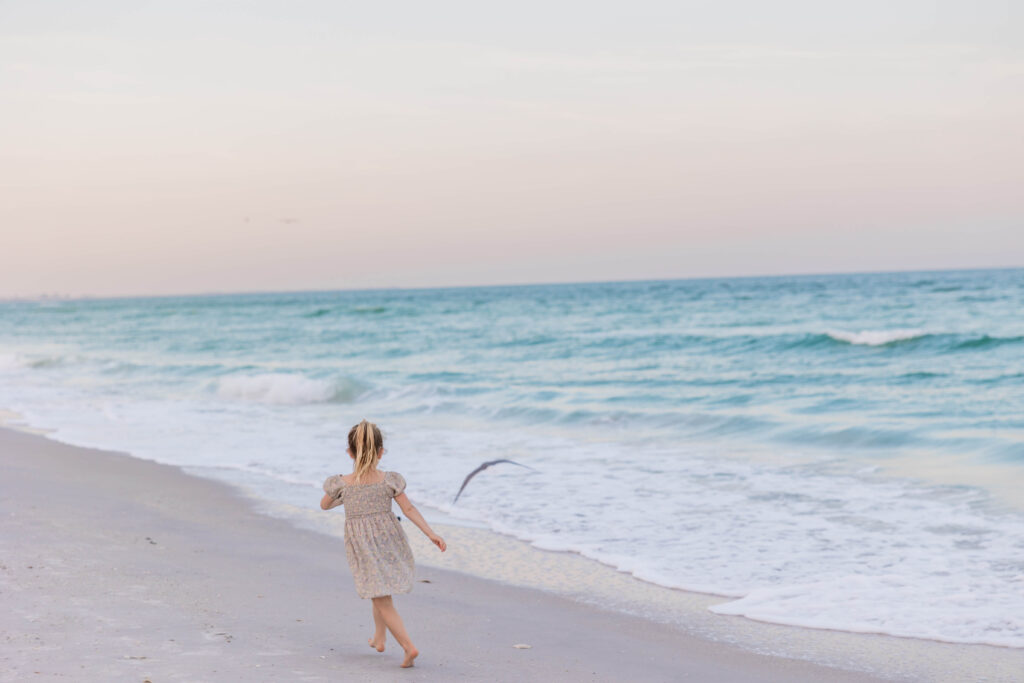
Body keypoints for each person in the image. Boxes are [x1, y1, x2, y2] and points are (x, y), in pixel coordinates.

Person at [320, 419, 446, 668]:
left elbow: (324, 504)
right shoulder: (390, 480)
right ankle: (379, 637)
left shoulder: (341, 483)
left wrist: (347, 498)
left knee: (379, 596)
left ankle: (409, 647)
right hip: (390, 539)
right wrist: (430, 533)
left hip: (363, 543)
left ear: (349, 452)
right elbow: (408, 508)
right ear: (380, 451)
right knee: (380, 589)